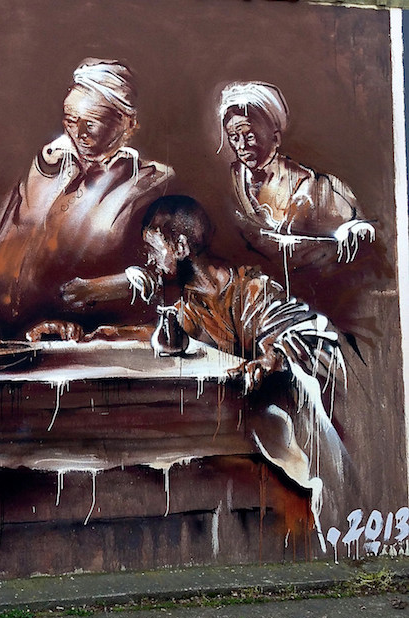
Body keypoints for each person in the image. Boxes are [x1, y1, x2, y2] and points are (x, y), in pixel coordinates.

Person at [53, 195, 349, 543]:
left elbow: (294, 333)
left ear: (180, 247)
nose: (148, 260)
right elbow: (162, 332)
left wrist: (269, 359)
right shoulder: (193, 305)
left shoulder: (250, 289)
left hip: (305, 435)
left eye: (152, 249)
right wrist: (99, 333)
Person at [0, 58, 174, 332]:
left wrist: (97, 289)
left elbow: (167, 274)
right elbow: (11, 239)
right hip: (20, 327)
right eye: (71, 120)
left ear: (127, 122)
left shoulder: (151, 183)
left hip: (98, 333)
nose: (78, 133)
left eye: (91, 123)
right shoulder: (49, 165)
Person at [217, 81, 374, 277]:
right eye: (234, 137)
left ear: (275, 139)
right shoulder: (237, 178)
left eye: (249, 137)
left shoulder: (313, 189)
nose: (241, 146)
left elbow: (358, 230)